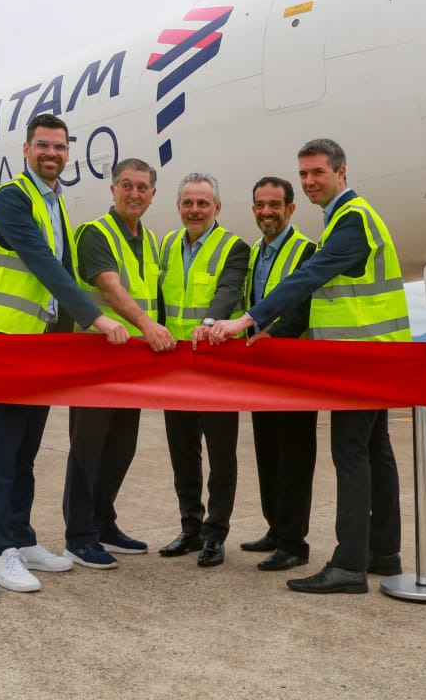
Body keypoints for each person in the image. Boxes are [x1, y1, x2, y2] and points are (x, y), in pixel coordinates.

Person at [207, 139, 408, 594]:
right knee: (376, 454)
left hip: (360, 358)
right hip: (375, 355)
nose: (311, 181)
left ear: (341, 172)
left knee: (351, 457)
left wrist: (248, 317)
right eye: (305, 174)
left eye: (318, 173)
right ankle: (383, 551)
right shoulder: (346, 217)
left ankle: (349, 565)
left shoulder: (352, 219)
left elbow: (308, 276)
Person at [0, 113, 130, 593]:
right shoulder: (11, 200)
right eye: (43, 146)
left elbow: (67, 269)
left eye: (60, 148)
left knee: (26, 449)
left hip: (42, 346)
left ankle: (21, 539)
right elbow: (44, 265)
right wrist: (95, 318)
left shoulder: (57, 203)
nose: (52, 154)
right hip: (8, 341)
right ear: (25, 150)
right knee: (2, 450)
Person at [63, 158, 176, 569]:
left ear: (152, 195)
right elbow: (110, 288)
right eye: (126, 185)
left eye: (142, 187)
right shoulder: (95, 234)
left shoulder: (148, 240)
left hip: (131, 362)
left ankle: (103, 522)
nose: (134, 194)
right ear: (112, 190)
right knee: (87, 449)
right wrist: (150, 326)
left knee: (121, 448)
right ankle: (78, 535)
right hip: (97, 359)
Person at [156, 173, 250, 568]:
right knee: (182, 452)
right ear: (179, 207)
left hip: (216, 362)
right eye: (188, 204)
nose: (195, 210)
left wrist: (211, 320)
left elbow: (229, 289)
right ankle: (190, 527)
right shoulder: (166, 245)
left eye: (203, 204)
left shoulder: (234, 246)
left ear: (217, 208)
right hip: (175, 364)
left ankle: (216, 534)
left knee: (221, 454)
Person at [237, 177, 318, 572]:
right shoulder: (256, 252)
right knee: (267, 452)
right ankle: (275, 527)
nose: (266, 211)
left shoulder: (306, 250)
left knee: (295, 456)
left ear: (290, 209)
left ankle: (293, 541)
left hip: (292, 367)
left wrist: (270, 335)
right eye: (260, 205)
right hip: (261, 367)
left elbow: (303, 306)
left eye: (274, 205)